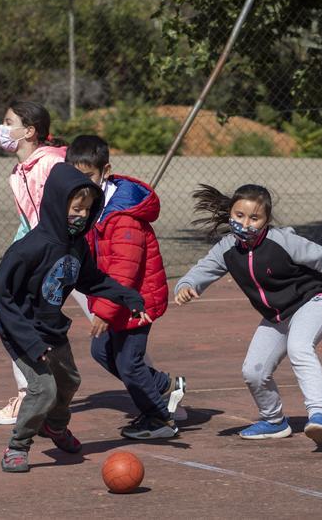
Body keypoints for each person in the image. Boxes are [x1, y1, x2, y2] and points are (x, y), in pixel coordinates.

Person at [173, 184, 322, 445]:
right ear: (230, 213)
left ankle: (319, 416)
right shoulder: (226, 249)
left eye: (254, 218)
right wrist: (186, 285)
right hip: (278, 316)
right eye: (239, 216)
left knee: (300, 347)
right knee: (253, 371)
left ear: (266, 221)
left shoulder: (284, 241)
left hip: (313, 301)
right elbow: (202, 270)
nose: (245, 223)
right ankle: (273, 421)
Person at [0, 164, 151, 472]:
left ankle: (55, 426)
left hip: (51, 327)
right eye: (76, 208)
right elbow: (0, 293)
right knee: (43, 388)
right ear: (56, 203)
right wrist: (29, 341)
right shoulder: (29, 249)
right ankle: (18, 446)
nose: (82, 214)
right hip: (23, 330)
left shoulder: (76, 245)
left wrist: (126, 295)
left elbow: (90, 280)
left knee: (69, 382)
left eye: (88, 209)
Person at [65, 135, 185, 439]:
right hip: (118, 300)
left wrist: (104, 310)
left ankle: (159, 419)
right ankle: (162, 385)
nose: (83, 183)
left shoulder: (122, 215)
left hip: (136, 301)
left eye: (89, 175)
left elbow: (125, 269)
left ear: (105, 171)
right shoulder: (91, 207)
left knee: (129, 364)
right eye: (76, 176)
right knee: (101, 351)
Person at [0, 101, 68, 426]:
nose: (3, 128)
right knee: (15, 318)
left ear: (30, 131)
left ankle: (157, 390)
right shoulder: (19, 171)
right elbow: (30, 219)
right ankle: (28, 396)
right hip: (40, 256)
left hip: (64, 256)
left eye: (9, 122)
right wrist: (17, 251)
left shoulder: (51, 164)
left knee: (114, 323)